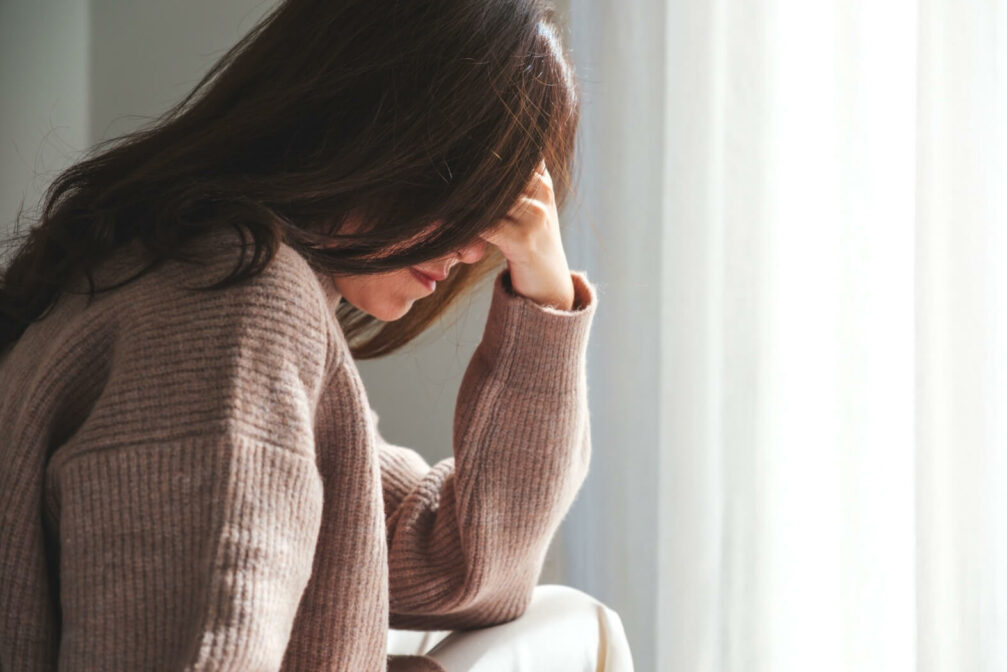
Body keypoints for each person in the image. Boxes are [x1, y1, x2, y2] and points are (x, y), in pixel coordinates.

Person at [0, 0, 613, 670]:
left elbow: (460, 564)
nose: (474, 247)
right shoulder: (230, 310)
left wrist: (545, 297)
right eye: (463, 183)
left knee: (572, 623)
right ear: (372, 123)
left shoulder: (193, 278)